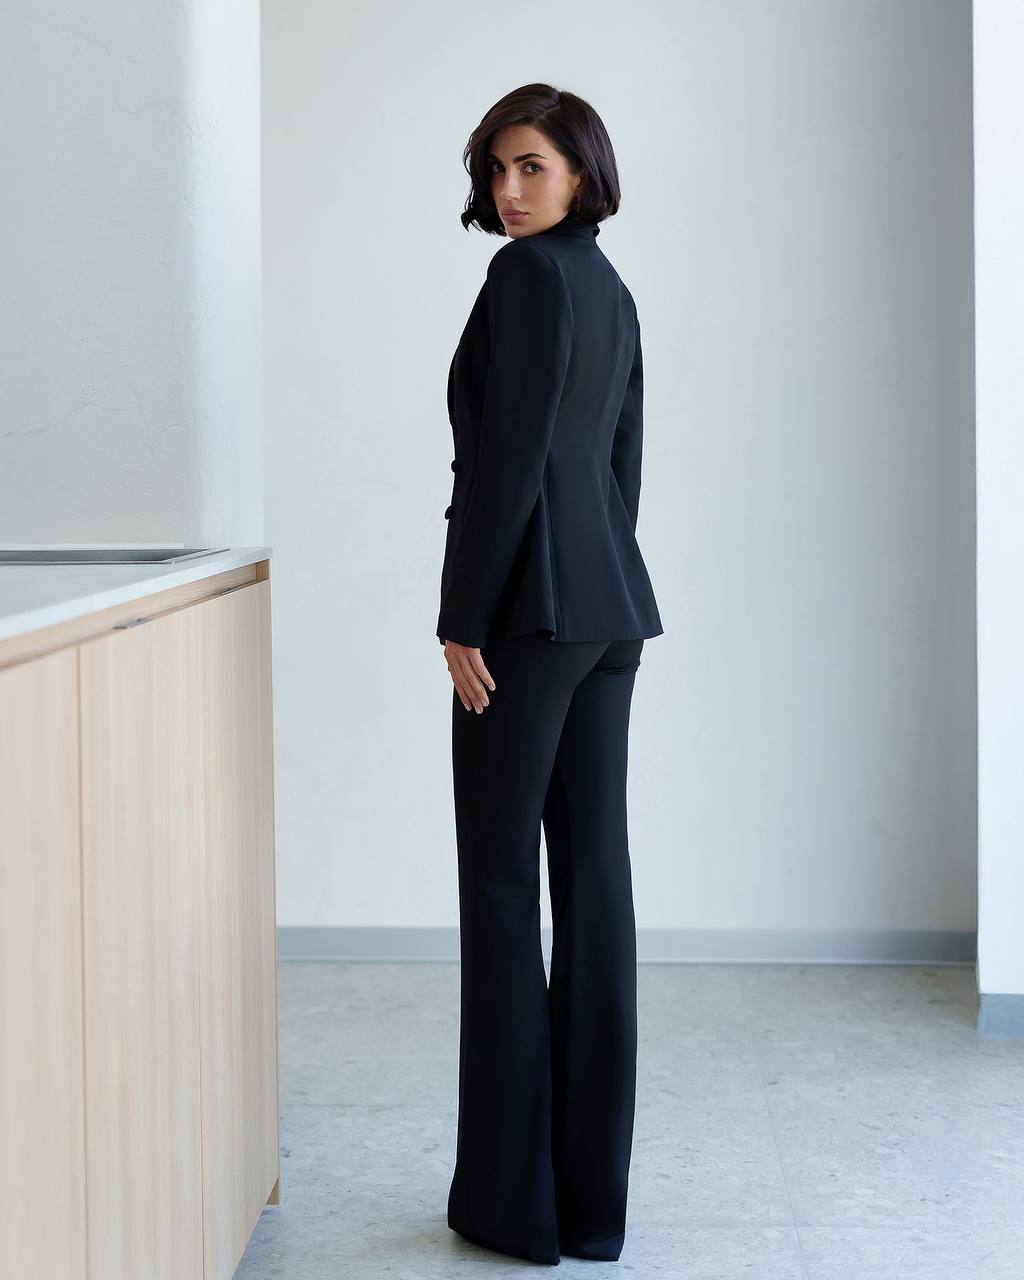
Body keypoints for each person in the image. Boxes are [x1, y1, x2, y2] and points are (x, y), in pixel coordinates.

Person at [436, 82, 664, 1267]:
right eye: (495, 169)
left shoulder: (525, 277)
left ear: (582, 170)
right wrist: (597, 576)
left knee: (496, 885)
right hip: (608, 611)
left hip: (525, 619)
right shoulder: (609, 286)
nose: (508, 190)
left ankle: (510, 1204)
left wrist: (462, 613)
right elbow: (623, 461)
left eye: (530, 166)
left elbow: (509, 461)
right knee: (593, 878)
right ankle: (589, 1205)